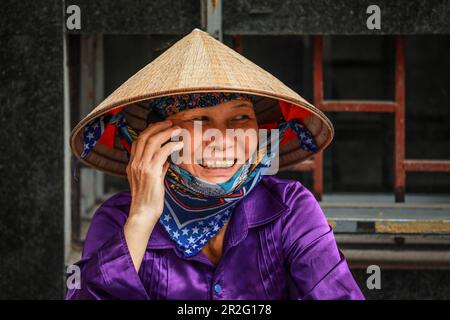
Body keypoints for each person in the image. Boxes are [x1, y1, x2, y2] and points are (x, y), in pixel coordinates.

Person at [66, 28, 364, 300]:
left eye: (240, 117)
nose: (223, 139)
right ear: (155, 137)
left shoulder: (288, 208)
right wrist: (142, 218)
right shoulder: (119, 218)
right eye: (198, 120)